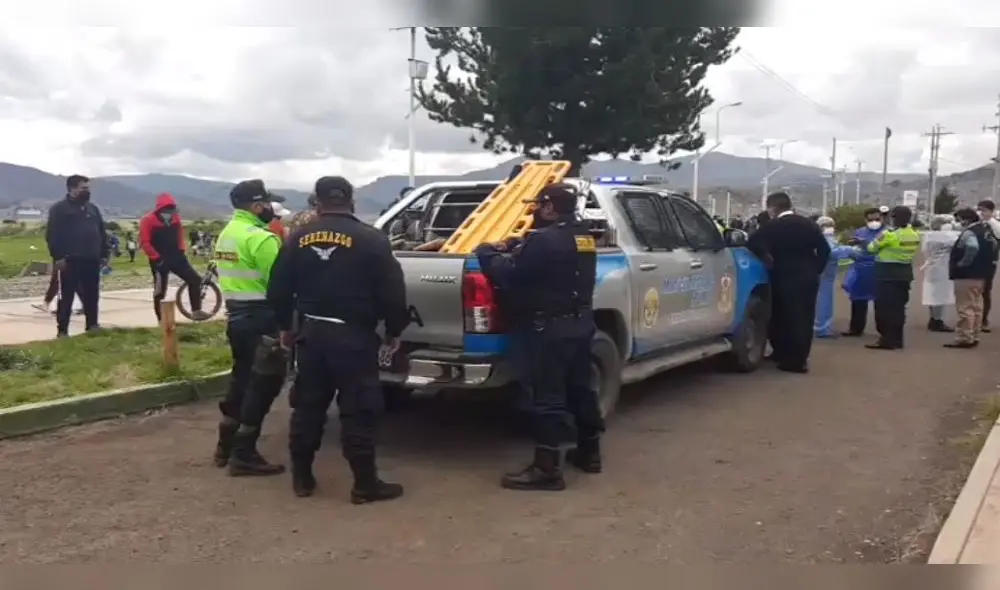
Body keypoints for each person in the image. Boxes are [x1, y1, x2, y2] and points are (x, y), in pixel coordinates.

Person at [270, 176, 409, 502]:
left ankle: (302, 479)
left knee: (309, 407)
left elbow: (277, 289)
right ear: (352, 201)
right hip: (354, 337)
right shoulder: (371, 239)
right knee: (358, 409)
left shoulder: (297, 237)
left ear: (316, 202)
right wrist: (394, 330)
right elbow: (393, 290)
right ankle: (364, 484)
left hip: (312, 335)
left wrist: (285, 328)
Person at [475, 183, 604, 491]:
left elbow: (510, 274)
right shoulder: (584, 236)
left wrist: (487, 253)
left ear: (548, 207)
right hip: (580, 324)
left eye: (538, 206)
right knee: (581, 388)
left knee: (547, 398)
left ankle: (547, 470)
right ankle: (590, 452)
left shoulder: (545, 241)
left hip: (550, 330)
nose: (534, 211)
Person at [212, 179, 288, 477]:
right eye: (268, 203)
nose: (271, 208)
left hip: (237, 317)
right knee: (265, 384)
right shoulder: (262, 238)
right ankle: (244, 453)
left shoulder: (227, 234)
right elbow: (281, 286)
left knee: (241, 377)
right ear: (257, 206)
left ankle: (225, 444)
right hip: (262, 318)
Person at [746, 191, 830, 373]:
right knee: (802, 319)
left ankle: (785, 355)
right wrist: (816, 270)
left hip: (781, 276)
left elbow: (753, 242)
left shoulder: (773, 226)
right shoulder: (809, 224)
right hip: (807, 277)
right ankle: (797, 358)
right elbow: (824, 250)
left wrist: (766, 258)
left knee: (780, 316)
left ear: (772, 208)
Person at [45, 174, 108, 337]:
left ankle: (92, 325)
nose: (87, 191)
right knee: (66, 296)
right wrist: (58, 257)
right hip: (69, 260)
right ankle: (63, 331)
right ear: (72, 189)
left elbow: (101, 232)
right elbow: (52, 235)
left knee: (92, 295)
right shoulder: (59, 209)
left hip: (91, 259)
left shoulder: (92, 209)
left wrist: (104, 254)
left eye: (88, 188)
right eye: (83, 188)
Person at [138, 193, 209, 322]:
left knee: (195, 279)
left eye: (171, 209)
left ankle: (196, 311)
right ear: (159, 209)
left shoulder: (176, 218)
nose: (169, 212)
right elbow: (145, 242)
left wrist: (181, 250)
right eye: (166, 209)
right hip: (159, 260)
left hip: (177, 257)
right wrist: (156, 258)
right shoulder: (147, 220)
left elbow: (180, 234)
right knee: (160, 291)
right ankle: (162, 320)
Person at [865, 205, 921, 350]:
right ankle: (897, 339)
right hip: (904, 274)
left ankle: (886, 339)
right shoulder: (913, 234)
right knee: (899, 309)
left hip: (886, 274)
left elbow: (871, 248)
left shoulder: (890, 234)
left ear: (893, 217)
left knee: (884, 309)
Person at [945, 208, 998, 348]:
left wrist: (963, 263)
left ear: (965, 219)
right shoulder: (986, 231)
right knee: (976, 306)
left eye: (958, 220)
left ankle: (964, 337)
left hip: (966, 275)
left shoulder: (969, 233)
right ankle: (974, 334)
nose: (957, 223)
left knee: (965, 307)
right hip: (982, 274)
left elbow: (972, 247)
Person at [841, 208, 886, 336]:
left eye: (877, 219)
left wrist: (864, 243)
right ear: (865, 220)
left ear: (882, 219)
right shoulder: (860, 231)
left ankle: (883, 330)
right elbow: (855, 248)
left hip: (879, 268)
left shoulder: (887, 232)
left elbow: (880, 246)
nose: (874, 222)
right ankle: (856, 328)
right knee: (858, 300)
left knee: (881, 301)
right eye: (870, 219)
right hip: (861, 268)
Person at [814, 216, 858, 338]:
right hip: (825, 271)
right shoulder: (825, 239)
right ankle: (822, 328)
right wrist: (849, 250)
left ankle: (820, 326)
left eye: (830, 225)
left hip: (821, 271)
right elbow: (832, 253)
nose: (829, 228)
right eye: (826, 225)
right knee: (824, 299)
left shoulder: (819, 238)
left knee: (820, 299)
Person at [921, 215, 959, 332]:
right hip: (942, 268)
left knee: (932, 294)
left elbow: (924, 250)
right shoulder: (947, 237)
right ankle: (937, 320)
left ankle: (933, 319)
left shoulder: (928, 236)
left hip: (931, 266)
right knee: (940, 296)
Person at [976, 200, 1000, 332]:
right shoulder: (978, 224)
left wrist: (989, 221)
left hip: (989, 262)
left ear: (991, 211)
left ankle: (983, 319)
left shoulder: (994, 225)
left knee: (985, 291)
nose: (981, 213)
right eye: (979, 210)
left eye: (983, 210)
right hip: (977, 261)